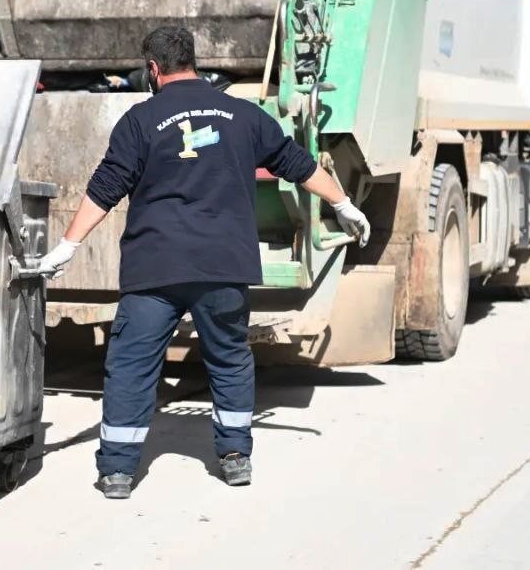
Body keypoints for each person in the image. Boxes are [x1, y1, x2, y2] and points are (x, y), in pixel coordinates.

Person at [38, 25, 370, 499]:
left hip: (156, 268)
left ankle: (117, 471)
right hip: (223, 265)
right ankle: (236, 458)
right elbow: (296, 163)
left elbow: (106, 187)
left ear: (153, 69)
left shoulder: (140, 120)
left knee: (132, 365)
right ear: (194, 61)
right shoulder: (242, 115)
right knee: (230, 360)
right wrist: (342, 204)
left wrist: (67, 246)